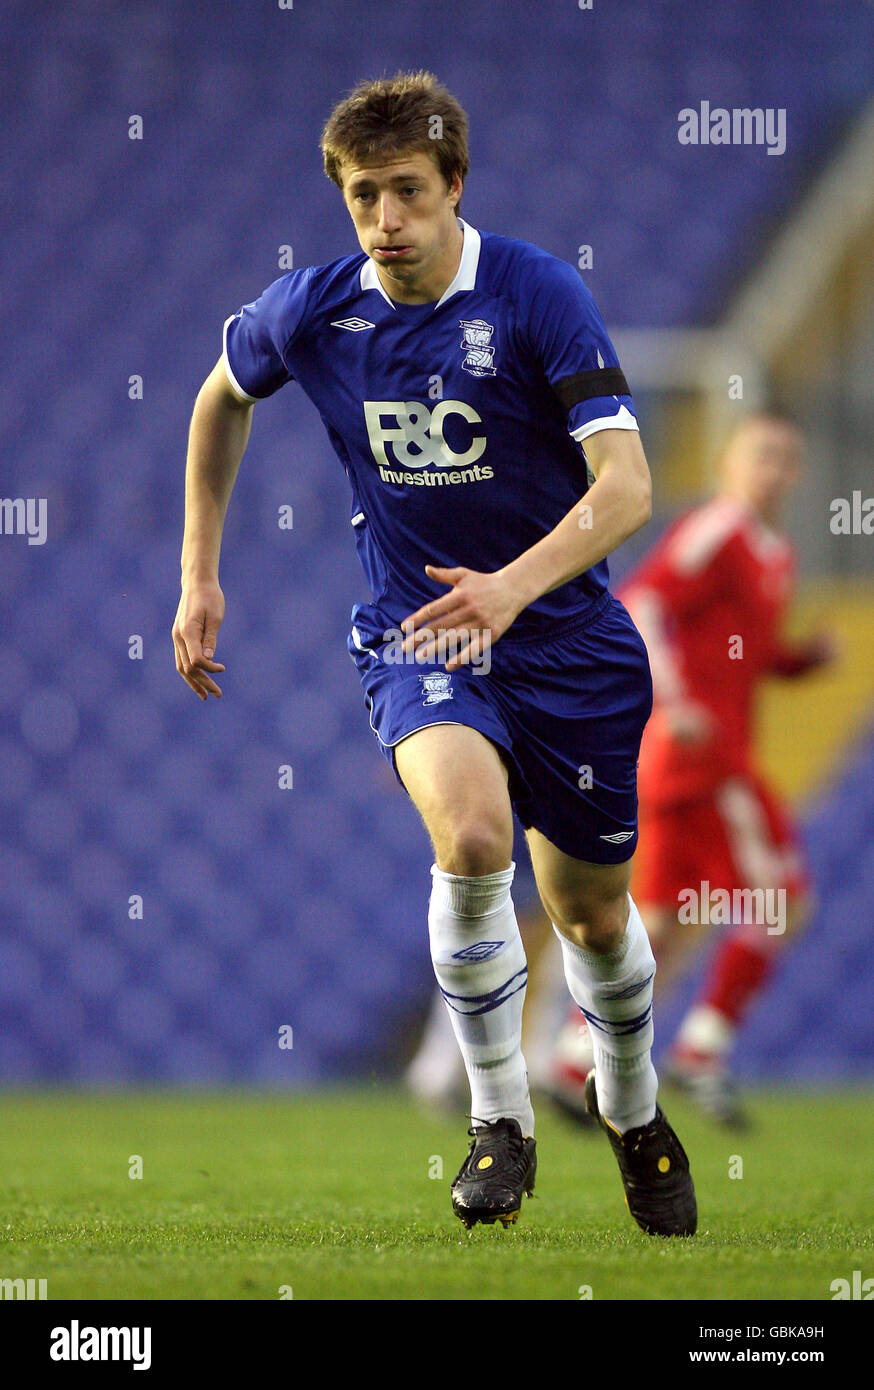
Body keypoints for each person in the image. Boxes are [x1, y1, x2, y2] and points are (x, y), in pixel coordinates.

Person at [171, 70, 696, 1236]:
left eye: (407, 191)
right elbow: (218, 400)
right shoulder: (313, 309)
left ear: (455, 186)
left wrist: (512, 586)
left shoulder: (533, 294)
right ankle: (496, 1120)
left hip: (566, 641)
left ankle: (631, 1108)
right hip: (421, 633)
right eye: (364, 197)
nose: (386, 220)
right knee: (469, 836)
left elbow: (629, 487)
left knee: (596, 917)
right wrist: (201, 573)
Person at [549, 413, 833, 1126]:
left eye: (787, 458)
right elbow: (642, 599)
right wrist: (673, 700)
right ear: (727, 464)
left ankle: (573, 1057)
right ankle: (703, 1051)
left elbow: (749, 653)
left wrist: (802, 662)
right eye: (762, 453)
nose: (777, 470)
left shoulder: (773, 554)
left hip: (694, 761)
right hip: (708, 760)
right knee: (783, 896)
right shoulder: (720, 530)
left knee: (663, 920)